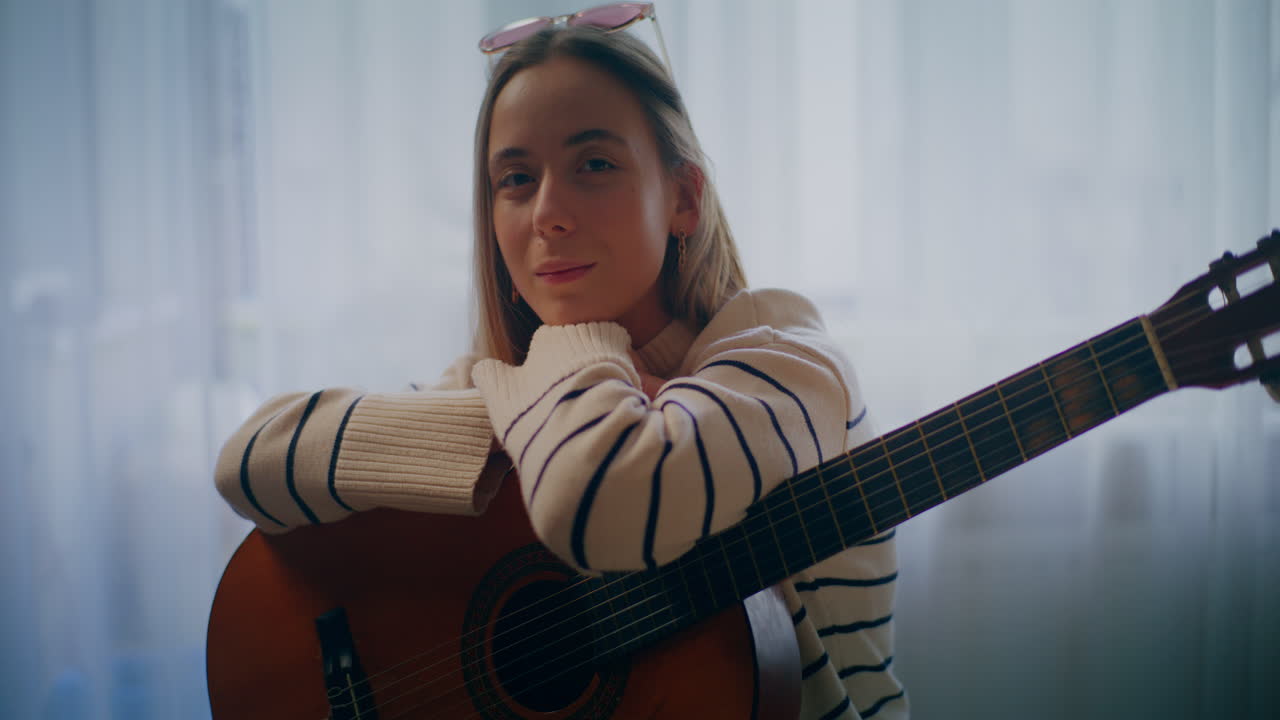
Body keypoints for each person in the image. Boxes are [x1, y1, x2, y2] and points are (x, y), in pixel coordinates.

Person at [214, 10, 906, 720]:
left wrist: (563, 367)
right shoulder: (505, 384)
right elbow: (249, 462)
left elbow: (598, 502)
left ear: (684, 199)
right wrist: (510, 421)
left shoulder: (786, 363)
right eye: (515, 178)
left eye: (594, 164)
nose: (547, 212)